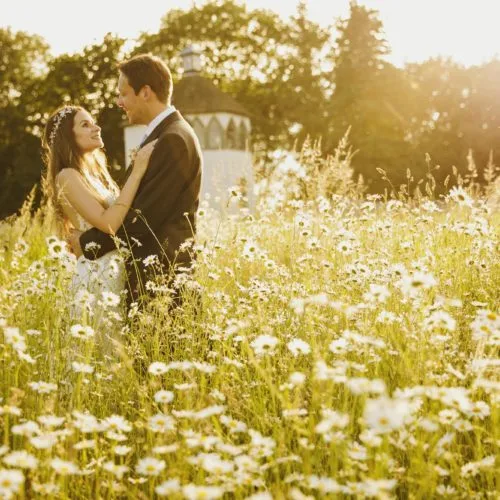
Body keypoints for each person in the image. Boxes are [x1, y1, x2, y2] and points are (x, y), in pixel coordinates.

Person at [68, 54, 203, 312]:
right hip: (154, 279)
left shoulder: (172, 138)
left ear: (145, 92)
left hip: (163, 281)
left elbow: (143, 218)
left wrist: (86, 243)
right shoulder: (164, 134)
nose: (119, 102)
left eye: (123, 94)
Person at [42, 105, 156, 324]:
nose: (97, 128)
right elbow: (110, 223)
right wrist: (138, 171)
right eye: (85, 125)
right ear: (68, 136)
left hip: (113, 270)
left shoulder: (93, 176)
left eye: (93, 122)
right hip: (97, 276)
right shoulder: (66, 176)